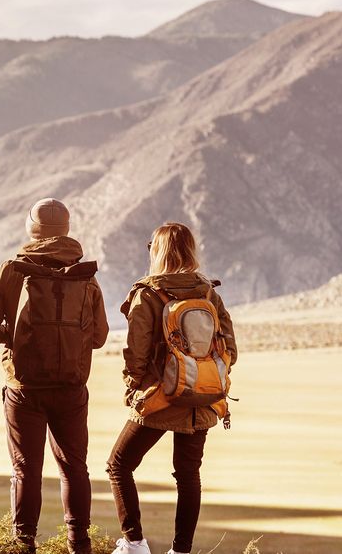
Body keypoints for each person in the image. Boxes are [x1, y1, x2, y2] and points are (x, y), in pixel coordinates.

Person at [0, 197, 109, 554]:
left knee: (26, 470)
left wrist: (15, 334)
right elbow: (99, 337)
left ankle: (24, 543)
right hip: (71, 387)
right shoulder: (85, 276)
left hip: (24, 387)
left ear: (31, 230)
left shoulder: (11, 271)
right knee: (74, 468)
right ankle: (79, 543)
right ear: (66, 230)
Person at [106, 222, 238, 554]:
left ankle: (134, 543)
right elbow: (230, 351)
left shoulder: (148, 293)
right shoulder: (209, 293)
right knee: (188, 475)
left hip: (159, 399)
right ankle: (181, 551)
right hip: (203, 400)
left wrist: (136, 389)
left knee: (118, 464)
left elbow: (135, 353)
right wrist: (201, 377)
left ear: (157, 251)